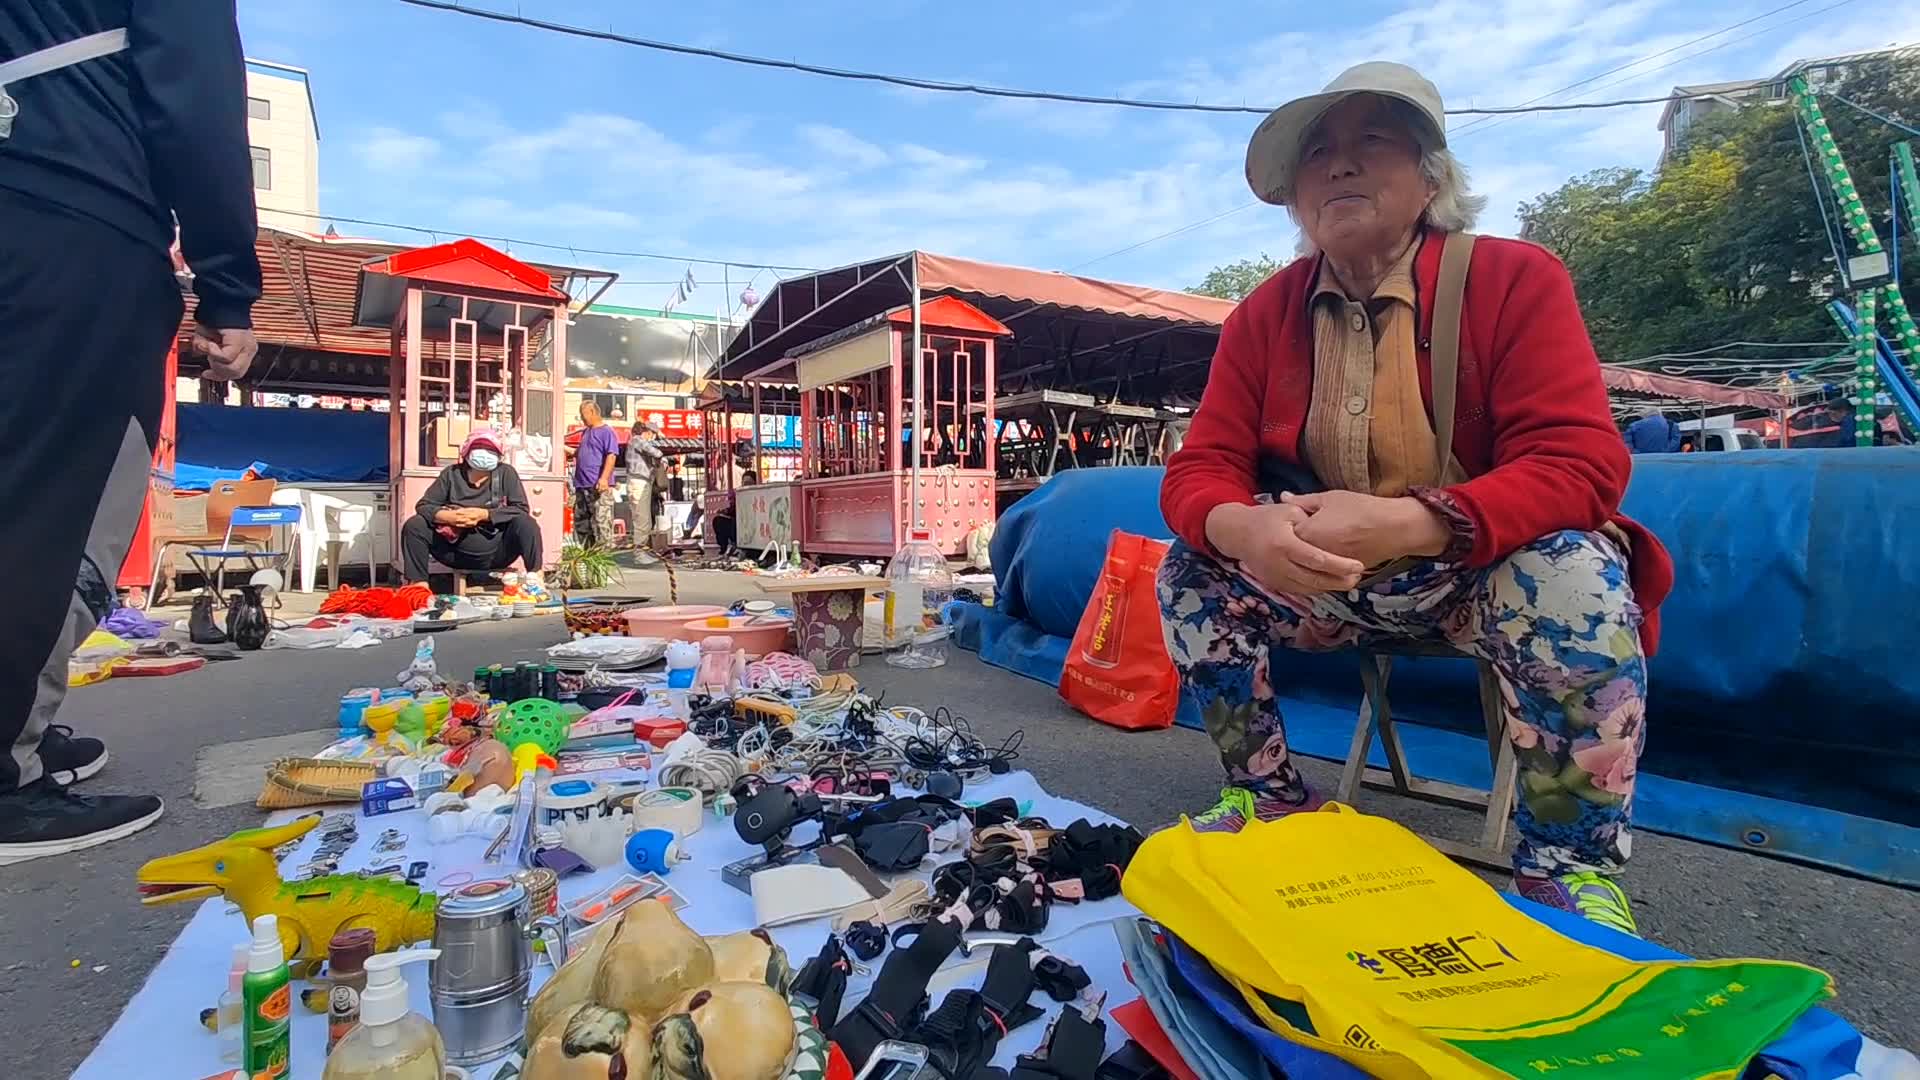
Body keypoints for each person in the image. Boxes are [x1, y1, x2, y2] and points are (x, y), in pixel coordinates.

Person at [1156, 62, 1673, 934]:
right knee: (1189, 570)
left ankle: (1567, 868)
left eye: (1372, 144)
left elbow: (1581, 462)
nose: (1340, 167)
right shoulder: (1262, 316)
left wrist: (1413, 519)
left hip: (1473, 577)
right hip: (1328, 583)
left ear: (1433, 174)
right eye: (1318, 155)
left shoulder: (1514, 278)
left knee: (1572, 574)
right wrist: (1241, 525)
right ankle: (1267, 795)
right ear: (1294, 197)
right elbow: (1198, 466)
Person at [0, 2, 262, 864]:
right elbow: (197, 102)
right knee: (51, 505)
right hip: (72, 215)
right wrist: (227, 287)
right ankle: (7, 770)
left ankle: (24, 730)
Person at [401, 431, 544, 586]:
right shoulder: (451, 474)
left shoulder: (506, 473)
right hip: (454, 552)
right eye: (478, 449)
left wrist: (484, 514)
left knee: (527, 523)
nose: (484, 454)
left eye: (490, 451)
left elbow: (520, 509)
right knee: (415, 525)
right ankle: (418, 585)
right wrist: (448, 517)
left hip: (497, 551)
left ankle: (536, 577)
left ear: (498, 455)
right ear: (466, 452)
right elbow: (424, 506)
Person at [572, 400, 619, 547]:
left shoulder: (607, 432)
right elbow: (578, 453)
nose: (581, 418)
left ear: (592, 412)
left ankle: (603, 558)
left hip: (598, 485)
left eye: (583, 414)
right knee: (582, 523)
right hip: (581, 485)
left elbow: (611, 455)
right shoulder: (585, 432)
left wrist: (604, 478)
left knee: (601, 523)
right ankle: (586, 555)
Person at [625, 419, 665, 542]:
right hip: (639, 482)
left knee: (643, 520)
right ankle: (640, 553)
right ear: (648, 432)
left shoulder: (634, 442)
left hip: (638, 482)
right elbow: (657, 453)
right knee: (642, 520)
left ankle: (642, 551)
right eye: (653, 435)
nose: (652, 438)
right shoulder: (637, 440)